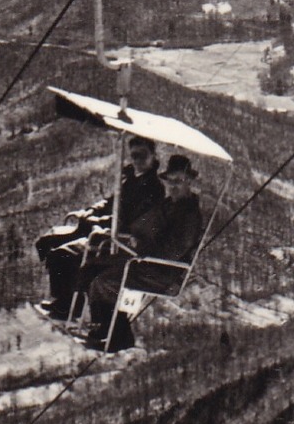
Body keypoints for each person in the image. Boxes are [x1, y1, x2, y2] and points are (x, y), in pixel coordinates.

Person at [35, 135, 175, 320]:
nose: (137, 160)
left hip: (118, 239)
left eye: (142, 155)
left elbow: (133, 220)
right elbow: (111, 202)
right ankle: (64, 300)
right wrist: (92, 211)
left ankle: (68, 306)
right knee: (47, 245)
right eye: (134, 156)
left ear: (153, 156)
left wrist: (101, 222)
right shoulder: (131, 180)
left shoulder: (153, 188)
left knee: (64, 254)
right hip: (103, 230)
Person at [79, 146, 206, 351]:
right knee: (90, 269)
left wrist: (143, 249)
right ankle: (103, 329)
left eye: (178, 181)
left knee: (105, 282)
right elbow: (144, 225)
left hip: (161, 270)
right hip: (145, 260)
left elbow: (173, 250)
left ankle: (115, 337)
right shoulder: (168, 205)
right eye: (170, 180)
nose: (173, 186)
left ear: (189, 182)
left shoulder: (189, 215)